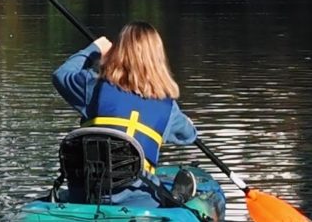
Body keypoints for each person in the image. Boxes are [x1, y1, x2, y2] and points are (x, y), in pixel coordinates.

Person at [52, 22, 201, 200]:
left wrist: (95, 49)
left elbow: (61, 74)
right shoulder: (168, 108)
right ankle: (178, 197)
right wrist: (189, 124)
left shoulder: (92, 86)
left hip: (85, 192)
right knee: (164, 193)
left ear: (118, 52)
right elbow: (189, 135)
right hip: (139, 198)